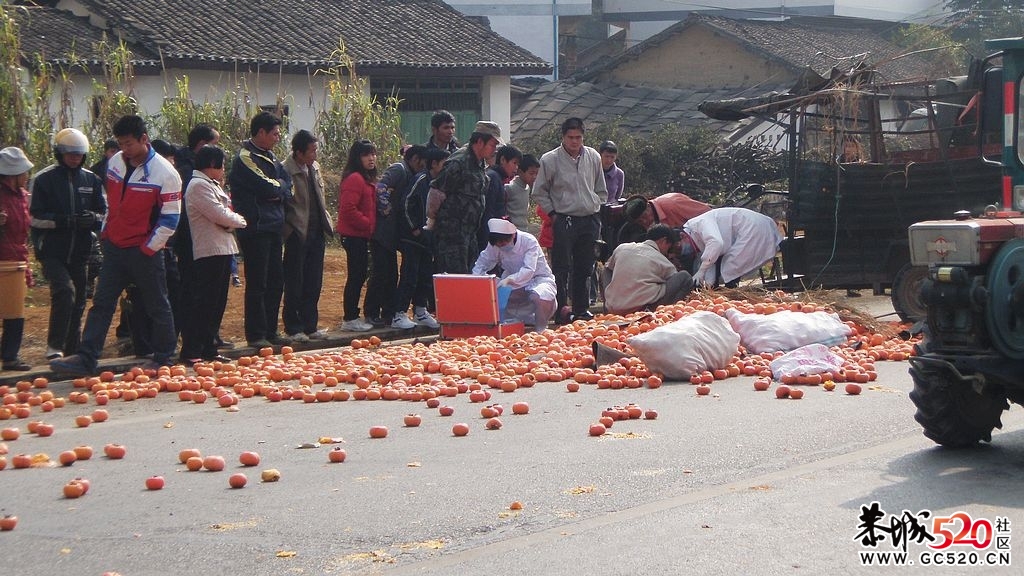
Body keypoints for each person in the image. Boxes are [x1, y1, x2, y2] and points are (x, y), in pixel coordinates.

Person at [50, 114, 181, 376]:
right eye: (121, 143)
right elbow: (109, 202)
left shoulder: (166, 173)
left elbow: (170, 218)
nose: (125, 149)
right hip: (115, 247)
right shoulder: (115, 163)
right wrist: (105, 231)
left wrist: (149, 247)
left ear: (144, 139)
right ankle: (87, 359)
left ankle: (164, 357)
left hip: (144, 250)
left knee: (157, 303)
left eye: (129, 143)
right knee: (101, 304)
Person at [29, 128, 106, 361]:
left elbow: (104, 212)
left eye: (79, 154)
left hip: (81, 250)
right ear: (59, 153)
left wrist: (92, 219)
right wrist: (63, 221)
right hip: (52, 250)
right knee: (64, 291)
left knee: (80, 298)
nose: (74, 158)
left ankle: (74, 349)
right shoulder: (43, 179)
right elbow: (33, 217)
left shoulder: (91, 179)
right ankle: (54, 346)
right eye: (69, 153)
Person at [533, 117, 607, 323]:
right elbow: (539, 192)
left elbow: (601, 188)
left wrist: (596, 207)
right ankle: (561, 310)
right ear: (563, 137)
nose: (575, 142)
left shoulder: (593, 156)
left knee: (585, 267)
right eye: (570, 137)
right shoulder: (550, 159)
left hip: (589, 219)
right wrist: (553, 213)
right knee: (561, 267)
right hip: (564, 219)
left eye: (579, 137)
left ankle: (582, 309)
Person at [229, 111, 293, 348]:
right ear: (261, 132)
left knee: (276, 280)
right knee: (258, 282)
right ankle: (256, 334)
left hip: (274, 225)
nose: (278, 138)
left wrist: (280, 191)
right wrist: (279, 190)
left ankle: (271, 330)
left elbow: (287, 186)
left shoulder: (272, 157)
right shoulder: (246, 158)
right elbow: (269, 188)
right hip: (256, 226)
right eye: (275, 133)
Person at [178, 146, 246, 365]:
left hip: (223, 247)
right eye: (222, 165)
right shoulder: (198, 185)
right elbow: (219, 214)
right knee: (204, 302)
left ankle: (209, 347)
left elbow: (224, 215)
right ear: (212, 165)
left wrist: (230, 220)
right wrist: (238, 221)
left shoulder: (210, 184)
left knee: (217, 302)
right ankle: (192, 350)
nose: (223, 170)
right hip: (209, 249)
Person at [282, 130, 333, 341]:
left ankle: (310, 325)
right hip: (297, 232)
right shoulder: (285, 170)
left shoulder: (315, 167)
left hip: (316, 230)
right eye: (312, 150)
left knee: (314, 281)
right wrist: (289, 229)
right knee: (295, 281)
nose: (315, 154)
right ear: (299, 152)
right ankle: (293, 327)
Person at [431, 121, 502, 274]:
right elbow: (437, 192)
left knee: (470, 278)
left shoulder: (480, 163)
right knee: (454, 280)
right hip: (451, 236)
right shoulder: (459, 162)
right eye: (492, 144)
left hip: (469, 235)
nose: (494, 150)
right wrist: (431, 222)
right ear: (480, 141)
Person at [366, 145, 425, 327]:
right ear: (415, 160)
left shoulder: (409, 173)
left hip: (391, 234)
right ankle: (371, 312)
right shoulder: (399, 169)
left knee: (391, 275)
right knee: (381, 274)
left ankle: (387, 313)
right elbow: (381, 187)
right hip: (382, 232)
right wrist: (386, 209)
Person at [392, 147, 445, 330]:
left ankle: (421, 311)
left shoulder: (438, 183)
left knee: (425, 275)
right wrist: (414, 228)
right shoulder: (421, 180)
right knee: (409, 275)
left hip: (428, 237)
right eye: (443, 164)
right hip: (413, 238)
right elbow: (406, 203)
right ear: (434, 164)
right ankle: (399, 314)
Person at [471, 218, 556, 332]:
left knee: (539, 296)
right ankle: (504, 324)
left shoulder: (528, 241)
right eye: (499, 244)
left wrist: (511, 279)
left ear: (513, 236)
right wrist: (477, 279)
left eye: (504, 243)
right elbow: (483, 262)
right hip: (511, 282)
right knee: (494, 293)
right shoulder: (495, 245)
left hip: (538, 279)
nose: (502, 246)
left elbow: (529, 269)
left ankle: (541, 328)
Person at [602, 224, 694, 315]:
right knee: (685, 277)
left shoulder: (622, 248)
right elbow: (674, 281)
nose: (667, 252)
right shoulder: (662, 261)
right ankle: (670, 313)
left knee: (605, 270)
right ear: (664, 241)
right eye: (668, 248)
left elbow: (608, 269)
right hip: (642, 310)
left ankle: (607, 309)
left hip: (614, 307)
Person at [682, 207, 783, 288]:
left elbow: (716, 243)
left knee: (731, 266)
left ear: (682, 236)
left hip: (752, 228)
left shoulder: (700, 223)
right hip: (749, 228)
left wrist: (701, 271)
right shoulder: (696, 235)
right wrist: (708, 286)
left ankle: (731, 291)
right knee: (728, 266)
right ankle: (728, 290)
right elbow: (710, 261)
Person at [335, 139, 378, 332]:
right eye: (366, 155)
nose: (371, 158)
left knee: (359, 274)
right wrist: (367, 224)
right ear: (357, 157)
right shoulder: (355, 179)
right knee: (356, 275)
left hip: (360, 235)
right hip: (354, 235)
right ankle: (350, 317)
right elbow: (348, 208)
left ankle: (352, 315)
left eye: (373, 154)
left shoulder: (365, 178)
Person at [0, 147, 34, 371]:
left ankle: (10, 356)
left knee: (15, 311)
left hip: (16, 258)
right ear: (13, 174)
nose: (27, 176)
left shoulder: (22, 195)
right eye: (24, 172)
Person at [478, 144, 522, 253]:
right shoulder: (493, 178)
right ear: (503, 160)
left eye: (518, 164)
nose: (516, 168)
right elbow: (488, 210)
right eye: (514, 163)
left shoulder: (498, 178)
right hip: (489, 235)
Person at [623, 193, 711, 230]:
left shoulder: (673, 204)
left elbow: (708, 213)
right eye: (640, 221)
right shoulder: (651, 224)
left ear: (649, 206)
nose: (644, 222)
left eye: (644, 216)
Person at [505, 153, 538, 230]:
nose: (534, 177)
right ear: (520, 172)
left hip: (523, 230)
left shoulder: (527, 187)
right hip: (511, 231)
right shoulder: (510, 187)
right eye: (531, 173)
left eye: (536, 173)